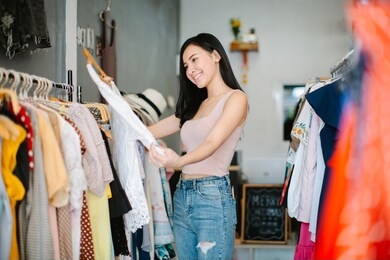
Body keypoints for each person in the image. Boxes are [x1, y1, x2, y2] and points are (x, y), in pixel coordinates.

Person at [148, 32, 248, 260]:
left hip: (212, 198)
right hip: (183, 196)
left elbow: (213, 142)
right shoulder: (194, 106)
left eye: (194, 59)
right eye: (185, 65)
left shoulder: (236, 99)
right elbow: (150, 131)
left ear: (215, 55)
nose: (190, 69)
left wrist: (179, 161)